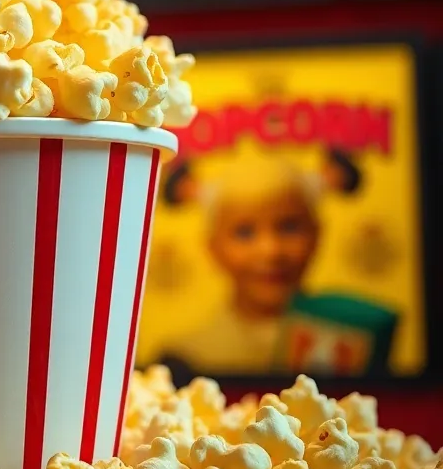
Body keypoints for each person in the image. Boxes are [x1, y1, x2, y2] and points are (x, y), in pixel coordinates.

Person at [160, 153, 396, 376]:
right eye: (244, 233)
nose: (271, 251)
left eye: (289, 227)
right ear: (213, 248)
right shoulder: (186, 357)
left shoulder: (356, 340)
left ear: (317, 235)